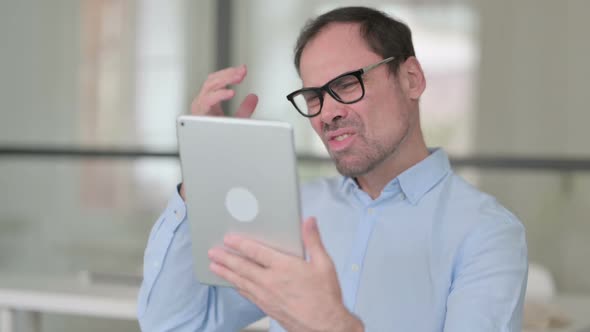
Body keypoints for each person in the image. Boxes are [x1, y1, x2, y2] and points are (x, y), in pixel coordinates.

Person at [137, 6, 527, 332]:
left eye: (346, 84)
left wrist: (335, 326)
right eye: (314, 96)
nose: (328, 112)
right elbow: (174, 323)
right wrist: (202, 172)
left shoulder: (487, 233)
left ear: (411, 79)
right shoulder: (295, 210)